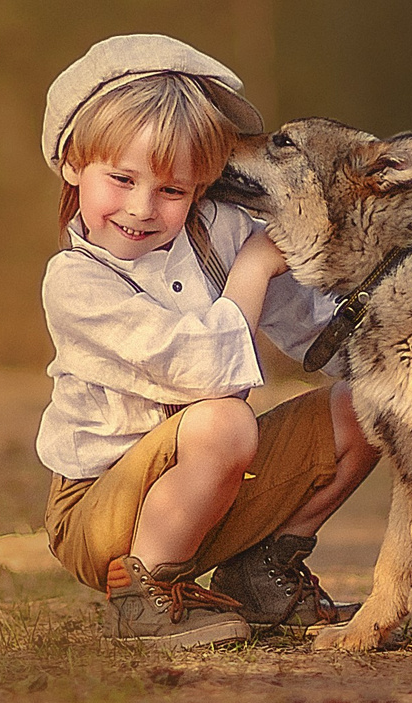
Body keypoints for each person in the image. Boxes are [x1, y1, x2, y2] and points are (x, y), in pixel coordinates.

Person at [38, 33, 380, 648]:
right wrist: (252, 267)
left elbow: (315, 325)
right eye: (120, 178)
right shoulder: (75, 283)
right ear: (71, 163)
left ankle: (262, 577)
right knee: (222, 420)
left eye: (172, 189)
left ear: (201, 186)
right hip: (104, 516)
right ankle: (143, 597)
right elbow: (207, 372)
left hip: (222, 490)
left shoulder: (216, 229)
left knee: (376, 403)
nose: (142, 208)